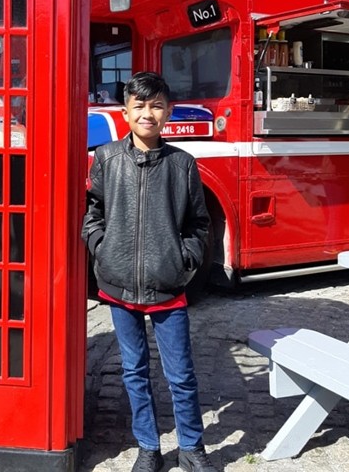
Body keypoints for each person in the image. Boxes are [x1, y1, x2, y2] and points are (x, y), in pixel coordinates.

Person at [81, 72, 217, 472]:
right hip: (118, 284)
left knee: (181, 375)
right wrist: (103, 252)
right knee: (133, 371)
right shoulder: (106, 158)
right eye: (139, 106)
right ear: (125, 113)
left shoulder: (183, 165)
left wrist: (184, 261)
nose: (147, 113)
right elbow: (93, 213)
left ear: (168, 113)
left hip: (167, 285)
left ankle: (192, 447)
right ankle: (148, 447)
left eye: (156, 105)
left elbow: (199, 224)